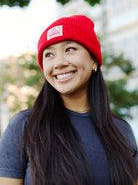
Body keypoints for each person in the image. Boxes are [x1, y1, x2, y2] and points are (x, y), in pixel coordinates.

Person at [0, 15, 137, 185]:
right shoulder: (23, 126)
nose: (59, 63)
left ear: (94, 60)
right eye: (49, 54)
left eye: (70, 49)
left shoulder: (121, 131)